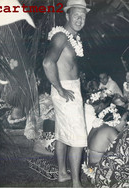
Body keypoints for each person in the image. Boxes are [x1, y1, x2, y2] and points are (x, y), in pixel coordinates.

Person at [42, 0, 89, 186]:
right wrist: (60, 89)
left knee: (62, 134)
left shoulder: (72, 37)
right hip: (66, 90)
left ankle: (62, 173)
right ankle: (76, 184)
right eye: (76, 15)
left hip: (69, 88)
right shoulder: (61, 36)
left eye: (83, 16)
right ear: (67, 15)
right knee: (78, 138)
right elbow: (47, 63)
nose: (79, 19)